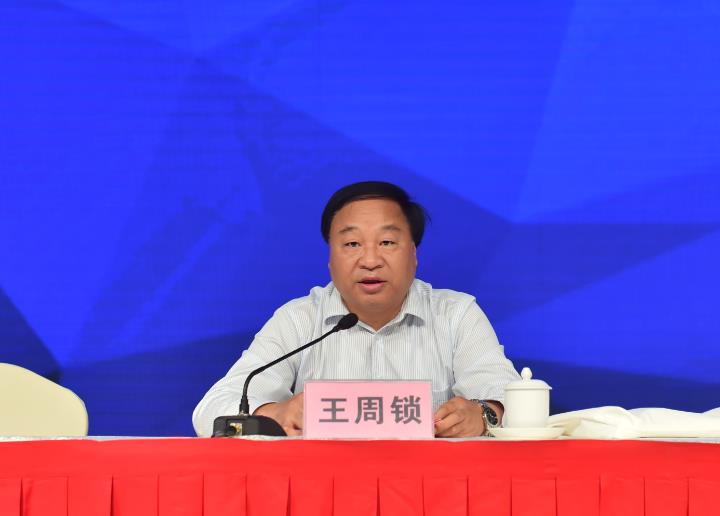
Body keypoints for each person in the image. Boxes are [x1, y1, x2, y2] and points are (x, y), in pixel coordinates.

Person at [193, 181, 520, 437]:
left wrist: (484, 414)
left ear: (413, 254)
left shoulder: (456, 315)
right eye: (352, 244)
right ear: (330, 259)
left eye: (387, 242)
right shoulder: (299, 320)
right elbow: (212, 411)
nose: (370, 260)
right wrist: (272, 414)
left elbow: (515, 402)